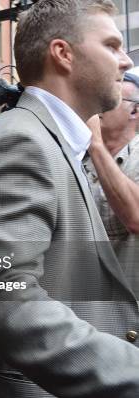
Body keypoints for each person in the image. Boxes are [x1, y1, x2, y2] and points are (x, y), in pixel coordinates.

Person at [0, 0, 139, 398]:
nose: (125, 62)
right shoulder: (21, 142)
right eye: (113, 45)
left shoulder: (54, 143)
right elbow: (4, 302)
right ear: (63, 53)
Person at [84, 73, 139, 293]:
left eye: (110, 98)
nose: (97, 105)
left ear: (135, 111)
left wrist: (96, 145)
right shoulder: (76, 159)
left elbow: (136, 218)